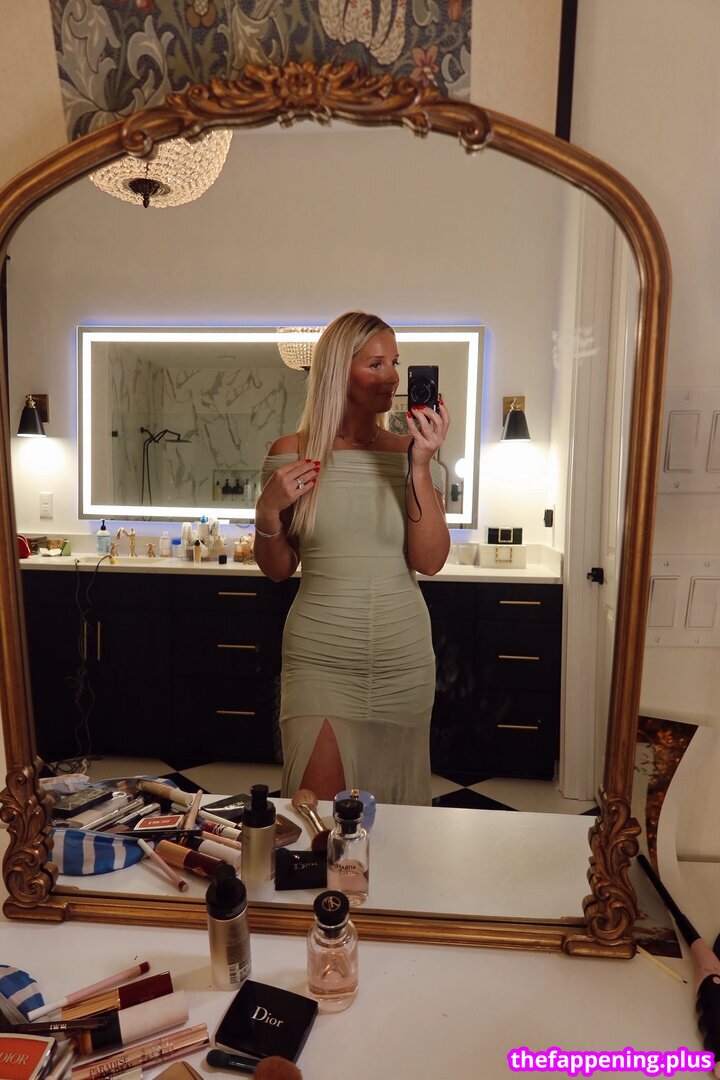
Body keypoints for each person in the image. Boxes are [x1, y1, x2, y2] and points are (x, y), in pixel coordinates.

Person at [254, 312, 450, 805]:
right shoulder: (290, 454)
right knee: (316, 818)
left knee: (398, 827)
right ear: (338, 370)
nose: (393, 377)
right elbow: (278, 569)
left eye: (396, 363)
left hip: (402, 656)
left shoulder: (411, 454)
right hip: (318, 659)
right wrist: (267, 512)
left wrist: (420, 466)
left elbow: (429, 561)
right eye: (376, 364)